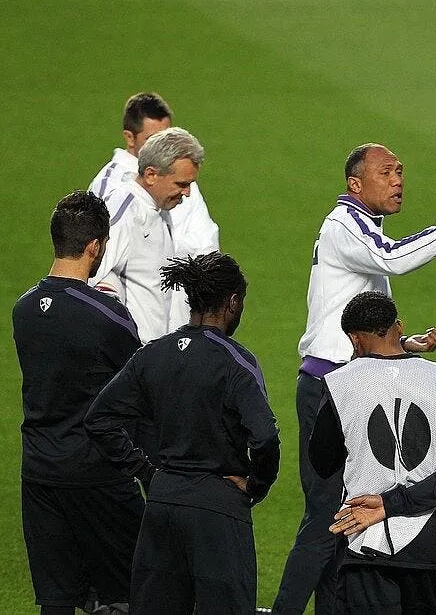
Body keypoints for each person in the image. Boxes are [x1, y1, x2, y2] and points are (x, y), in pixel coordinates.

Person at [274, 143, 436, 614]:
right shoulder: (345, 225)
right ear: (355, 184)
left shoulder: (359, 227)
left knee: (349, 514)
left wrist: (405, 346)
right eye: (386, 172)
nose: (398, 179)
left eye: (400, 170)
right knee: (325, 517)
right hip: (331, 387)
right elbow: (393, 259)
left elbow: (353, 304)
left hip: (353, 382)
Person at [84, 252, 280, 614]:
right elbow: (265, 436)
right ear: (233, 302)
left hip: (161, 505)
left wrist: (145, 472)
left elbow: (99, 418)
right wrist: (256, 485)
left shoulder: (153, 354)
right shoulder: (237, 361)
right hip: (218, 509)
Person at [307, 291, 436, 614]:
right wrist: (397, 502)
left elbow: (322, 462)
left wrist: (385, 501)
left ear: (354, 341)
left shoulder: (339, 384)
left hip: (363, 546)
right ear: (399, 327)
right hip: (430, 550)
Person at [13, 191, 143, 615]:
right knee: (127, 592)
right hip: (97, 475)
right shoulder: (107, 314)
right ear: (95, 247)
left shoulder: (24, 310)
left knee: (55, 598)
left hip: (39, 472)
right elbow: (138, 389)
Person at [89, 126, 206, 342]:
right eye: (181, 184)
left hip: (150, 356)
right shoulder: (124, 211)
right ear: (151, 175)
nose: (187, 193)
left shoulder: (160, 210)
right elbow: (86, 277)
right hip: (126, 359)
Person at [88, 92, 219, 258]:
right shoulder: (110, 186)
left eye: (167, 136)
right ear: (130, 138)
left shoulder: (181, 179)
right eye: (152, 138)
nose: (162, 145)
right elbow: (100, 256)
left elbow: (207, 245)